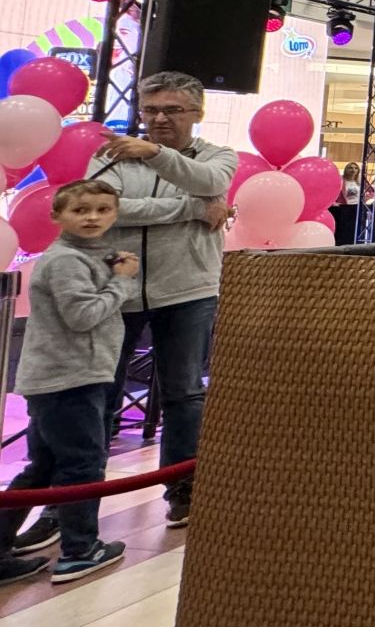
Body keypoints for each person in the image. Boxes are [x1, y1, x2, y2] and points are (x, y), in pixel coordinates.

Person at [96, 71, 237, 528]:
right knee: (99, 394)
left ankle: (184, 487)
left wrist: (154, 154)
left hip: (188, 291)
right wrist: (192, 209)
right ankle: (73, 501)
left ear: (197, 113)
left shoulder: (218, 155)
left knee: (184, 392)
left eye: (172, 110)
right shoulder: (111, 156)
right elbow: (102, 211)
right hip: (116, 292)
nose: (159, 119)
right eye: (151, 110)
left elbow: (208, 181)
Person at [0, 180, 140, 584]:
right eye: (80, 210)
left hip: (65, 377)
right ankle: (80, 550)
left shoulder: (89, 256)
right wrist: (122, 281)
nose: (92, 217)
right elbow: (82, 316)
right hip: (69, 379)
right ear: (57, 216)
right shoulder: (66, 261)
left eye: (102, 209)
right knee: (83, 465)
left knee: (42, 467)